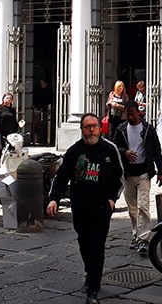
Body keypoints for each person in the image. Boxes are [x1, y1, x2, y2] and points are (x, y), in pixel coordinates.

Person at [46, 113, 124, 304]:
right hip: (80, 208)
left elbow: (120, 176)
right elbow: (61, 177)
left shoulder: (109, 149)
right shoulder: (75, 151)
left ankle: (93, 289)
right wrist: (54, 199)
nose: (91, 130)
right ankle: (90, 274)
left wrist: (112, 199)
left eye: (94, 126)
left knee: (97, 246)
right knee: (84, 243)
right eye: (87, 127)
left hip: (101, 208)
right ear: (82, 130)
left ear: (100, 128)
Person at [111, 100, 162, 254]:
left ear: (138, 113)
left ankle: (144, 238)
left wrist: (161, 171)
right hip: (128, 173)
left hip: (144, 173)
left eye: (132, 114)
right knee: (132, 208)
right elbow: (114, 147)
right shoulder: (121, 129)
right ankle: (136, 234)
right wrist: (125, 152)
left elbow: (156, 150)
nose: (129, 116)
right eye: (127, 114)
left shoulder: (148, 129)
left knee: (143, 205)